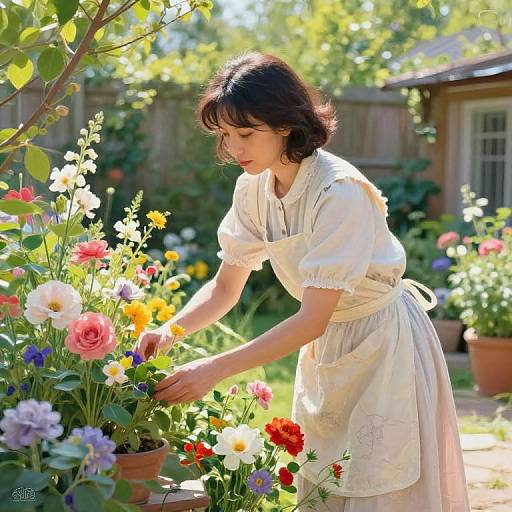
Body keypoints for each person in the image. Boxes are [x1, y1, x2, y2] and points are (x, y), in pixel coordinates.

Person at [135, 52, 470, 511]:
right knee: (324, 479)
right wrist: (169, 331)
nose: (234, 148)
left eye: (246, 133)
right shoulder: (253, 189)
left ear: (286, 124)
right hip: (327, 348)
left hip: (383, 344)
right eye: (226, 135)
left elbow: (312, 318)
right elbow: (225, 287)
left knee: (382, 486)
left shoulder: (339, 192)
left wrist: (211, 370)